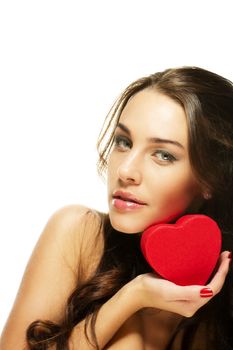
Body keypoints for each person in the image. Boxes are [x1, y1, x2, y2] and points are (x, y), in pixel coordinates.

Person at [1, 66, 233, 350]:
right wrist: (132, 297)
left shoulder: (221, 298)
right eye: (123, 142)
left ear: (211, 177)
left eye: (163, 155)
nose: (125, 170)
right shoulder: (79, 233)